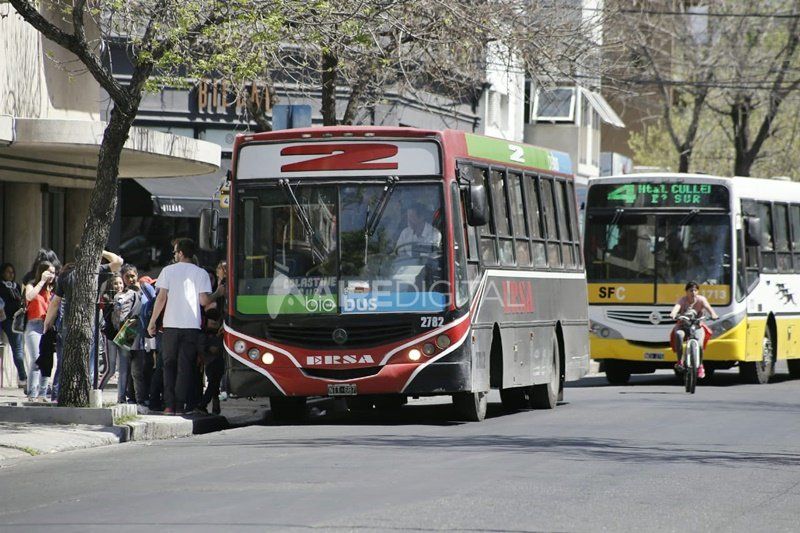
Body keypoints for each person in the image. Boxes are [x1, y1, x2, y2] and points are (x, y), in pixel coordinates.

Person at [44, 249, 124, 401]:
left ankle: (58, 397)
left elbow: (55, 302)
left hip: (68, 324)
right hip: (89, 325)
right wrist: (101, 250)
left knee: (63, 363)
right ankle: (84, 397)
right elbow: (118, 262)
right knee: (89, 364)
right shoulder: (96, 272)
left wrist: (47, 323)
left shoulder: (65, 274)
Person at [147, 238, 212, 415]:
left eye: (175, 252)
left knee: (168, 365)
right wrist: (218, 294)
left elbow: (161, 298)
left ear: (181, 253)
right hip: (191, 325)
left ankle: (168, 405)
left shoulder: (168, 271)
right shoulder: (201, 273)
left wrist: (152, 322)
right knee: (185, 367)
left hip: (170, 325)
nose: (174, 255)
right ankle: (180, 405)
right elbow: (204, 300)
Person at [669, 281, 719, 379]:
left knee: (699, 344)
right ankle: (680, 362)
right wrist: (673, 314)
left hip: (697, 327)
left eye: (695, 290)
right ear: (686, 292)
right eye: (691, 290)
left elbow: (709, 308)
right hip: (683, 326)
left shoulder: (701, 300)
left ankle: (700, 366)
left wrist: (713, 314)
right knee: (679, 335)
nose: (693, 293)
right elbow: (676, 308)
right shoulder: (682, 300)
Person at [196, 261, 227, 415]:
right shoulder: (207, 294)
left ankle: (209, 402)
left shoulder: (223, 289)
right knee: (212, 373)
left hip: (218, 336)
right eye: (221, 268)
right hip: (206, 337)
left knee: (216, 373)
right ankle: (205, 402)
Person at [24, 261, 56, 401]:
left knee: (47, 361)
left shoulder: (53, 290)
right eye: (49, 272)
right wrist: (42, 281)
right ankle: (32, 392)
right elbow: (29, 297)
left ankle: (42, 394)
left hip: (47, 326)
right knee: (36, 358)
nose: (52, 275)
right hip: (34, 325)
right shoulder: (32, 285)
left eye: (54, 272)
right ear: (41, 272)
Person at [0, 263, 27, 388]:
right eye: (7, 272)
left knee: (18, 350)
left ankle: (22, 377)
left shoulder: (16, 286)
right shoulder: (1, 286)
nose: (10, 274)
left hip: (14, 321)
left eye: (12, 272)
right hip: (3, 319)